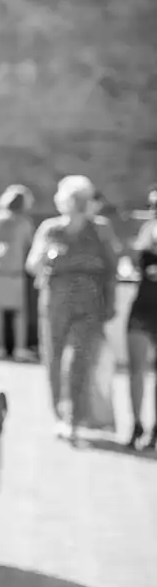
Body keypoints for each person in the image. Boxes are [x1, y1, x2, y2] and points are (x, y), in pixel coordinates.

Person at [26, 175, 120, 443]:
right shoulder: (50, 229)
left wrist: (111, 303)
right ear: (62, 201)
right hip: (54, 302)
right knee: (53, 359)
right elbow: (32, 265)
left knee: (78, 360)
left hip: (90, 305)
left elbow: (112, 269)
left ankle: (74, 419)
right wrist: (46, 255)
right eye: (73, 198)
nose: (77, 204)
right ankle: (58, 415)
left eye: (82, 199)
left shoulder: (100, 229)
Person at [0, 184, 37, 360]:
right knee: (19, 312)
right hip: (15, 272)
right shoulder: (24, 222)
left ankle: (0, 347)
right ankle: (20, 348)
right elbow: (31, 244)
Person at [126, 184, 157, 450]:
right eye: (152, 205)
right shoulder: (148, 231)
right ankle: (136, 424)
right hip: (143, 306)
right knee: (136, 371)